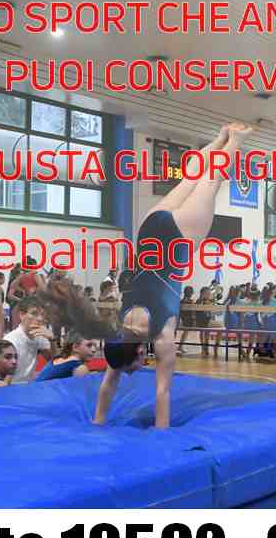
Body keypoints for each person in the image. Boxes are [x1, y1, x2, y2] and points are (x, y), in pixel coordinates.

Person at [94, 122, 252, 428]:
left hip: (179, 240)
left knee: (210, 180)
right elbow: (110, 377)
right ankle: (220, 136)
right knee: (191, 178)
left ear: (137, 353)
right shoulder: (119, 329)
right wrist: (98, 420)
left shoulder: (162, 336)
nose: (137, 369)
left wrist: (162, 431)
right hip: (149, 230)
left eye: (134, 366)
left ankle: (235, 139)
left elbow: (162, 390)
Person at [3, 296, 54, 384]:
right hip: (13, 387)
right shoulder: (11, 341)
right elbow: (5, 380)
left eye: (42, 314)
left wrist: (52, 340)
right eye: (34, 313)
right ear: (22, 315)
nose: (40, 319)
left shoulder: (39, 336)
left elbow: (55, 361)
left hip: (29, 386)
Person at [177, 285, 196, 355]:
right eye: (191, 292)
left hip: (185, 320)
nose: (192, 294)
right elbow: (192, 313)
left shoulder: (181, 301)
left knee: (185, 332)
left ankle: (180, 346)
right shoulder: (189, 302)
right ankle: (180, 346)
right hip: (187, 321)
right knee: (185, 332)